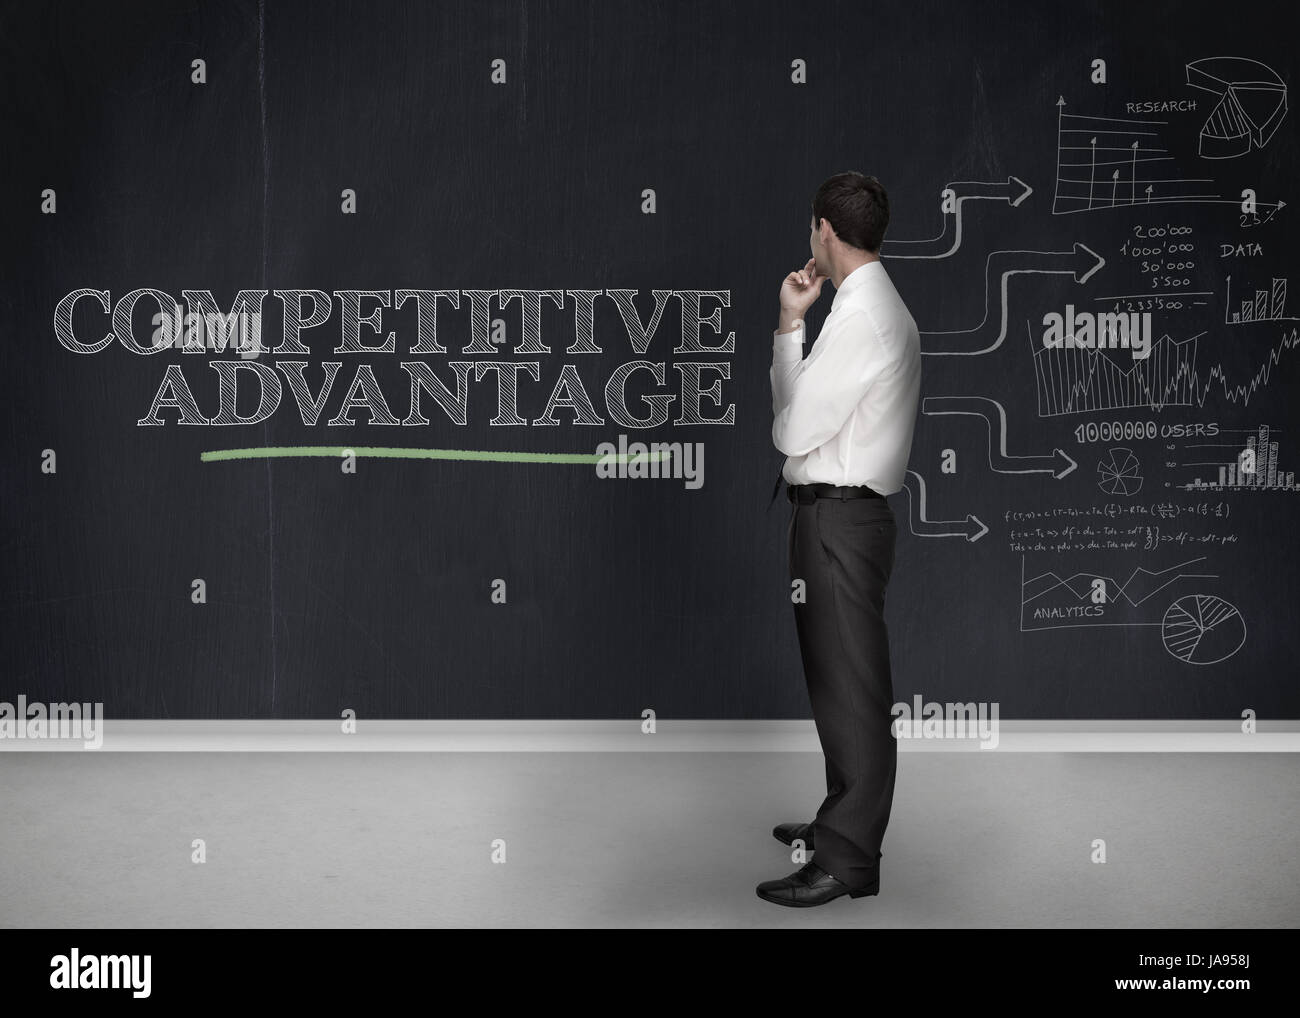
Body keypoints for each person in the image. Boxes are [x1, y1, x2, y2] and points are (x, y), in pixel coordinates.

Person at [757, 171, 921, 907]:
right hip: (843, 517)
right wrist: (796, 323)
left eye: (810, 229)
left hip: (839, 521)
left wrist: (788, 328)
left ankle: (848, 857)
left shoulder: (862, 319)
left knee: (852, 689)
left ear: (823, 228)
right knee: (841, 683)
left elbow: (791, 430)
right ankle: (839, 823)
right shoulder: (865, 306)